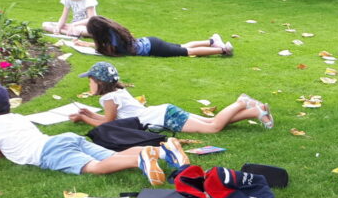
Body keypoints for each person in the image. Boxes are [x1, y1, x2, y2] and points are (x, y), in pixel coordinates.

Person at [0, 82, 188, 186]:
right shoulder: (18, 117)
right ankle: (163, 151)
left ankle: (139, 160)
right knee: (113, 156)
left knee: (95, 167)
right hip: (63, 139)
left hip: (48, 153)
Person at [69, 61, 273, 131]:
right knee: (210, 121)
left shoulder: (107, 98)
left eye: (90, 80)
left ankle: (241, 102)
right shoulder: (117, 92)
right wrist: (90, 114)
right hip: (164, 112)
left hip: (164, 117)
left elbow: (108, 124)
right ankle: (255, 111)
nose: (89, 83)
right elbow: (110, 118)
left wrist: (84, 118)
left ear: (99, 81)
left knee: (213, 128)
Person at [74, 16, 232, 58]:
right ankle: (212, 41)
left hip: (153, 48)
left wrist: (93, 47)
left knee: (186, 52)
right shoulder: (113, 30)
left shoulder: (112, 38)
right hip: (151, 41)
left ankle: (222, 50)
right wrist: (86, 44)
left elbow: (111, 50)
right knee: (182, 46)